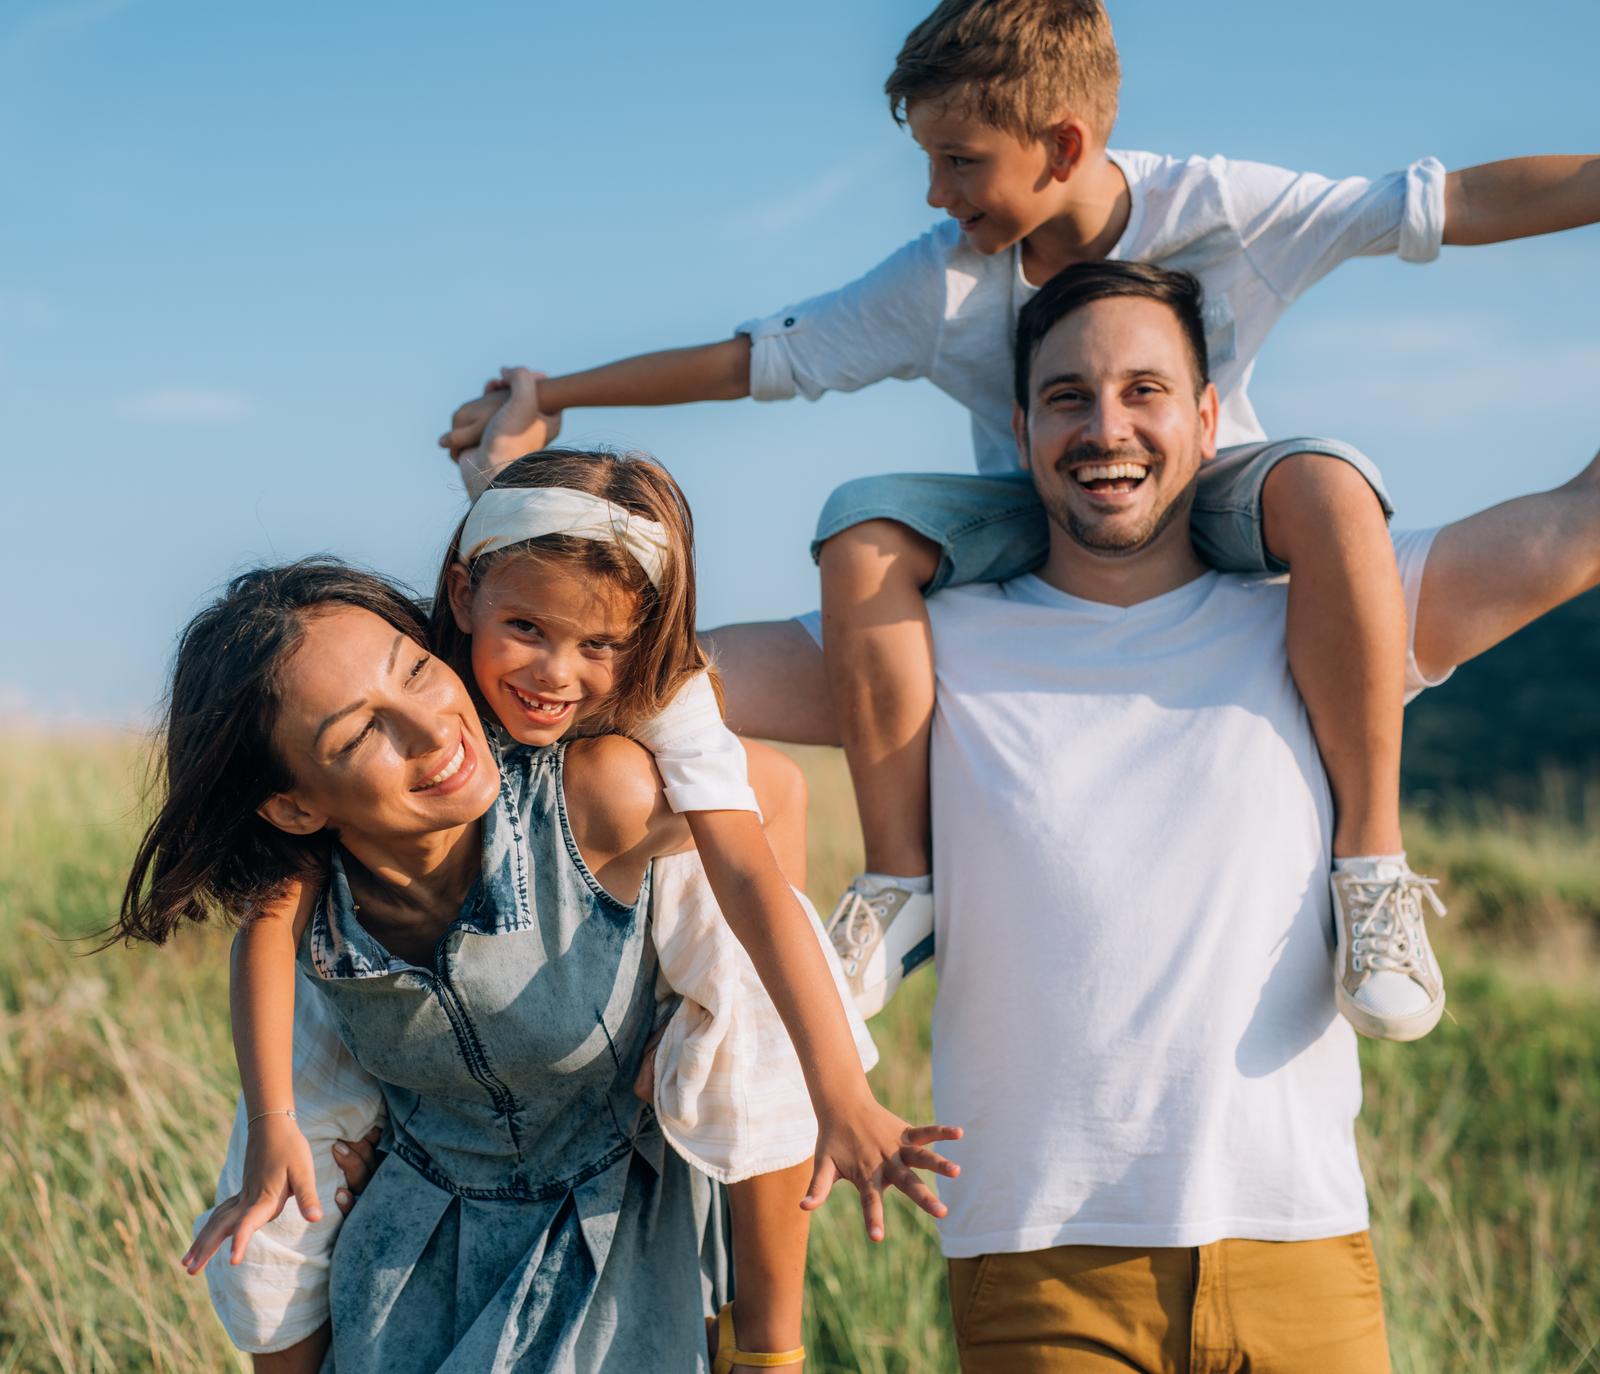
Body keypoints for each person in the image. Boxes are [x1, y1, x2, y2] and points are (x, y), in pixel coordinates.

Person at [438, 0, 1600, 1040]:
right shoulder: (944, 280)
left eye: (957, 162)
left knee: (1329, 486)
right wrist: (560, 393)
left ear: (1063, 144)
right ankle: (899, 883)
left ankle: (1373, 867)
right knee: (865, 530)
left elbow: (1447, 202)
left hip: (1232, 500)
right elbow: (760, 359)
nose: (938, 194)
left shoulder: (1221, 209)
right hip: (1022, 517)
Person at [123, 456, 958, 1372]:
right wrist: (282, 1124)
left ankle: (767, 1346)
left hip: (604, 1203)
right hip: (421, 1219)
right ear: (463, 600)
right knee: (268, 1227)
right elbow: (264, 931)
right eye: (361, 732)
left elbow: (773, 822)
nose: (435, 727)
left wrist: (831, 1088)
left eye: (415, 672)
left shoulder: (624, 763)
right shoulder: (325, 860)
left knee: (734, 968)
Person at [914, 258, 1600, 1370]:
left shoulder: (1331, 610)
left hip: (1297, 1244)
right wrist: (520, 488)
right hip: (1044, 1263)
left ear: (1207, 418)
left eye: (1144, 390)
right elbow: (658, 670)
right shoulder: (934, 641)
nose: (1106, 427)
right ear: (1020, 425)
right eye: (1067, 397)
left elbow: (1584, 517)